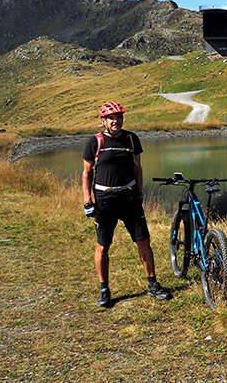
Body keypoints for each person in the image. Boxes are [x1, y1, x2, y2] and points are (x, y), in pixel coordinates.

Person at [82, 101, 172, 307]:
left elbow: (137, 167)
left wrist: (140, 192)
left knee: (143, 241)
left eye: (119, 117)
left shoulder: (131, 139)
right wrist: (88, 201)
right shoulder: (94, 142)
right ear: (103, 121)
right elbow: (87, 173)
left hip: (130, 198)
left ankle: (152, 284)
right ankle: (104, 289)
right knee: (103, 246)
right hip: (105, 200)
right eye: (112, 118)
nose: (116, 121)